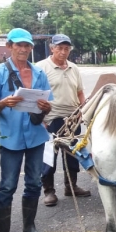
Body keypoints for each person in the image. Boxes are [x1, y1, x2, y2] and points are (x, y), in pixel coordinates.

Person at [0, 28, 53, 232]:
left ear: (31, 48)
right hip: (10, 139)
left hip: (35, 138)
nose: (23, 49)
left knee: (33, 183)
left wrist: (46, 108)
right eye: (19, 45)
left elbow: (46, 104)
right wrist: (4, 102)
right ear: (10, 46)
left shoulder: (39, 73)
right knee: (7, 186)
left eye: (27, 45)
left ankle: (29, 227)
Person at [36, 34, 91, 206]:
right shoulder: (41, 68)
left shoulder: (74, 68)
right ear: (52, 48)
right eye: (59, 48)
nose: (63, 51)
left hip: (72, 119)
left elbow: (80, 92)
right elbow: (36, 96)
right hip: (51, 119)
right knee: (49, 157)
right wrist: (41, 119)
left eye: (66, 48)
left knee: (73, 156)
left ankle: (71, 186)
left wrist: (84, 111)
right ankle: (49, 191)